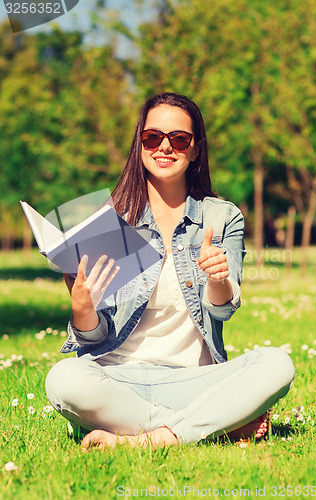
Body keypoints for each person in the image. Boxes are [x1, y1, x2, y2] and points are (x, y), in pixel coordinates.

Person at [45, 92, 295, 450]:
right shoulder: (108, 221)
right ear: (140, 143)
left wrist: (218, 277)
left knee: (277, 363)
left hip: (193, 380)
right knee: (63, 378)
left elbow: (222, 309)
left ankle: (149, 438)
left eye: (179, 139)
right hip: (116, 378)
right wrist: (82, 308)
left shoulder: (221, 217)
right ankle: (211, 425)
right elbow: (92, 339)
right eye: (152, 137)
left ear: (195, 149)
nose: (164, 146)